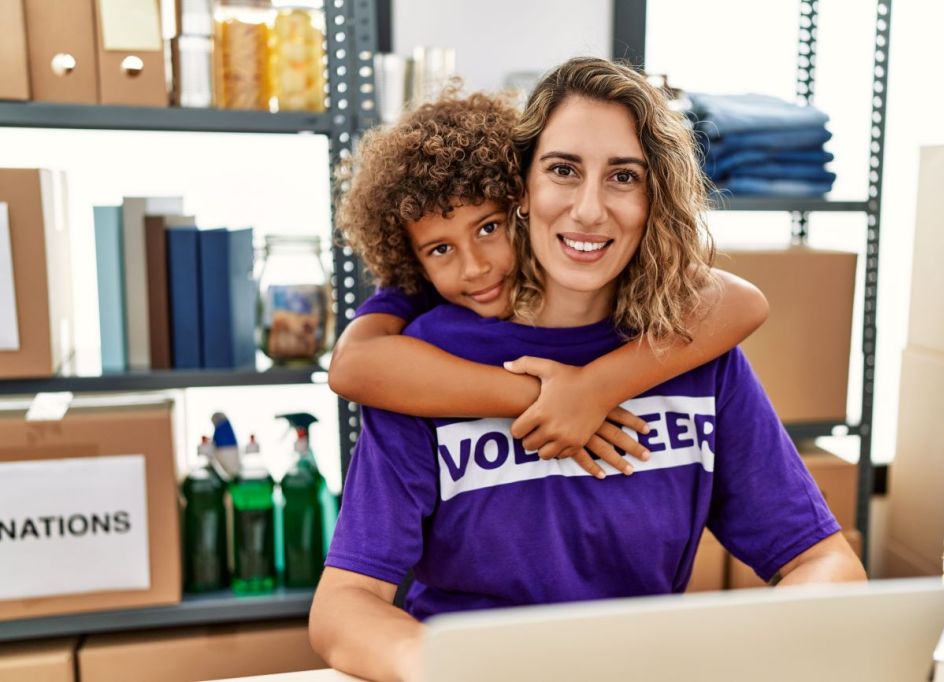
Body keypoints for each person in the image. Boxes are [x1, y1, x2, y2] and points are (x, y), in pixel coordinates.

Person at [310, 59, 866, 682]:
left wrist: (743, 658)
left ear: (654, 199)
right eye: (563, 170)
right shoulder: (423, 366)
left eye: (623, 176)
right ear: (521, 187)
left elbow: (826, 563)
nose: (590, 210)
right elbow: (344, 607)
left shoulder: (697, 357)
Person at [327, 90, 768, 477]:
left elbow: (743, 302)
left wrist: (596, 388)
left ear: (520, 201)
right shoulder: (419, 295)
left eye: (488, 229)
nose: (475, 267)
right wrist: (547, 397)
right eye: (441, 250)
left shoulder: (615, 275)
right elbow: (351, 366)